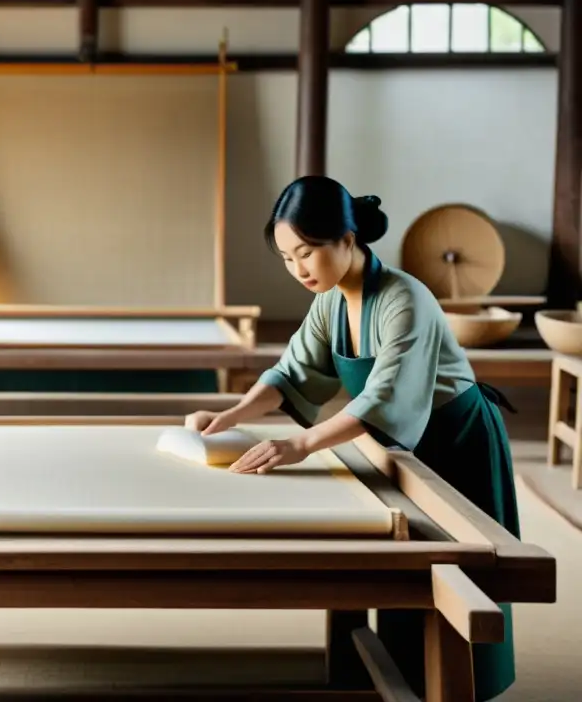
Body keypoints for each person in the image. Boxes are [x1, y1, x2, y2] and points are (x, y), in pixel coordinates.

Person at [185, 175, 519, 701]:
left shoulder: (405, 299)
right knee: (411, 565)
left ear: (347, 239)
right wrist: (233, 413)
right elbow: (292, 371)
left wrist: (302, 444)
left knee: (465, 564)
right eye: (287, 257)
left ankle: (467, 684)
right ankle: (403, 672)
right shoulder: (332, 302)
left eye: (307, 252)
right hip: (401, 443)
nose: (298, 269)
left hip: (456, 440)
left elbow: (383, 399)